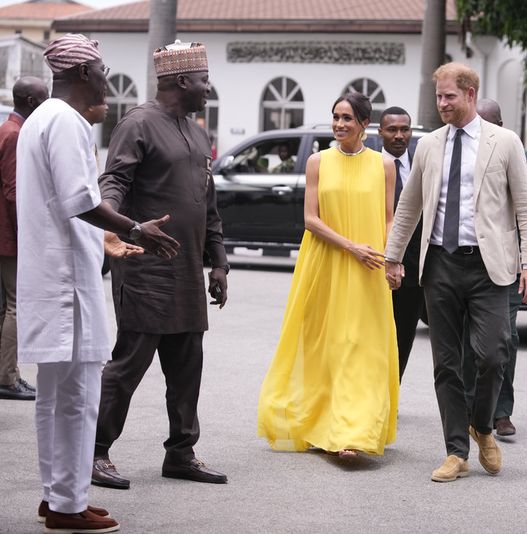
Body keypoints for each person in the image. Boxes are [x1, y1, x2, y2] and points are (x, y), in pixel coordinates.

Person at [17, 33, 179, 533]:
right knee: (77, 401)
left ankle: (57, 496)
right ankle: (68, 506)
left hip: (56, 276)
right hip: (67, 288)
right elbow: (79, 202)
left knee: (55, 400)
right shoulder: (64, 121)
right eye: (103, 69)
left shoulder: (39, 118)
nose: (107, 77)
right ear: (84, 73)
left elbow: (60, 206)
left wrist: (105, 243)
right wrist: (134, 229)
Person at [385, 63, 527, 482]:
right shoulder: (429, 145)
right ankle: (456, 450)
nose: (442, 104)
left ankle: (483, 425)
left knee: (493, 354)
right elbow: (409, 206)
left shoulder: (504, 142)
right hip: (440, 265)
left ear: (470, 94)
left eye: (449, 96)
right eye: (438, 97)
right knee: (446, 363)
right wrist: (393, 257)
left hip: (490, 266)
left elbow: (526, 206)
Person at [92, 40, 230, 490]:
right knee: (128, 364)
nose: (207, 88)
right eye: (203, 80)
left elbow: (207, 204)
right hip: (146, 268)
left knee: (188, 365)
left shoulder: (195, 132)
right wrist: (116, 228)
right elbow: (113, 181)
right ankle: (94, 452)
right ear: (179, 81)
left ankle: (181, 453)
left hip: (188, 270)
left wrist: (220, 264)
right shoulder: (138, 123)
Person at [257, 92, 399, 458]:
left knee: (362, 346)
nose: (339, 124)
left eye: (348, 118)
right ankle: (321, 424)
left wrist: (391, 259)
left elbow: (388, 217)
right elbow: (310, 219)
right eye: (336, 116)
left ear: (365, 124)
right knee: (325, 343)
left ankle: (354, 433)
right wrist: (351, 247)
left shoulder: (384, 165)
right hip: (325, 261)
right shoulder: (318, 162)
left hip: (370, 265)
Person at [461, 97, 527, 437]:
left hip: (504, 266)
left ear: (501, 126)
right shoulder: (460, 151)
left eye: (488, 123)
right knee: (468, 342)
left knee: (502, 342)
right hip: (466, 265)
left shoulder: (520, 156)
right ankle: (471, 410)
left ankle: (501, 411)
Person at [0, 76, 48, 401]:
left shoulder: (7, 129)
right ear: (30, 102)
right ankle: (7, 377)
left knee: (6, 306)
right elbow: (14, 191)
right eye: (44, 99)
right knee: (17, 305)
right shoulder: (15, 135)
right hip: (9, 235)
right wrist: (30, 236)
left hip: (5, 233)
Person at [378, 106, 423, 381]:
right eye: (392, 129)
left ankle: (390, 393)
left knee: (403, 335)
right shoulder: (370, 165)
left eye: (404, 129)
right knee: (372, 335)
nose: (399, 135)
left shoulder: (421, 165)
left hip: (414, 270)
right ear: (380, 131)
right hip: (376, 266)